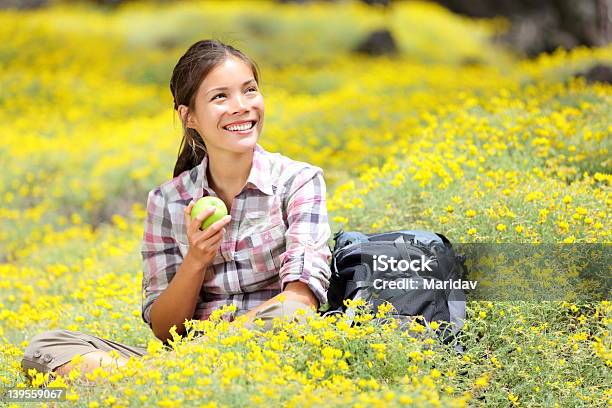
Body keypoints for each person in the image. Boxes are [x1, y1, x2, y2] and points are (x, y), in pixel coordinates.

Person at [20, 39, 333, 381]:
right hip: (186, 351)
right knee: (46, 346)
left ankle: (157, 378)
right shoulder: (167, 201)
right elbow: (166, 331)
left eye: (250, 90)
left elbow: (302, 301)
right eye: (220, 97)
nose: (242, 106)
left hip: (268, 346)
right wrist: (197, 258)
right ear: (189, 117)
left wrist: (210, 347)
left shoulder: (299, 181)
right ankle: (174, 377)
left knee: (289, 312)